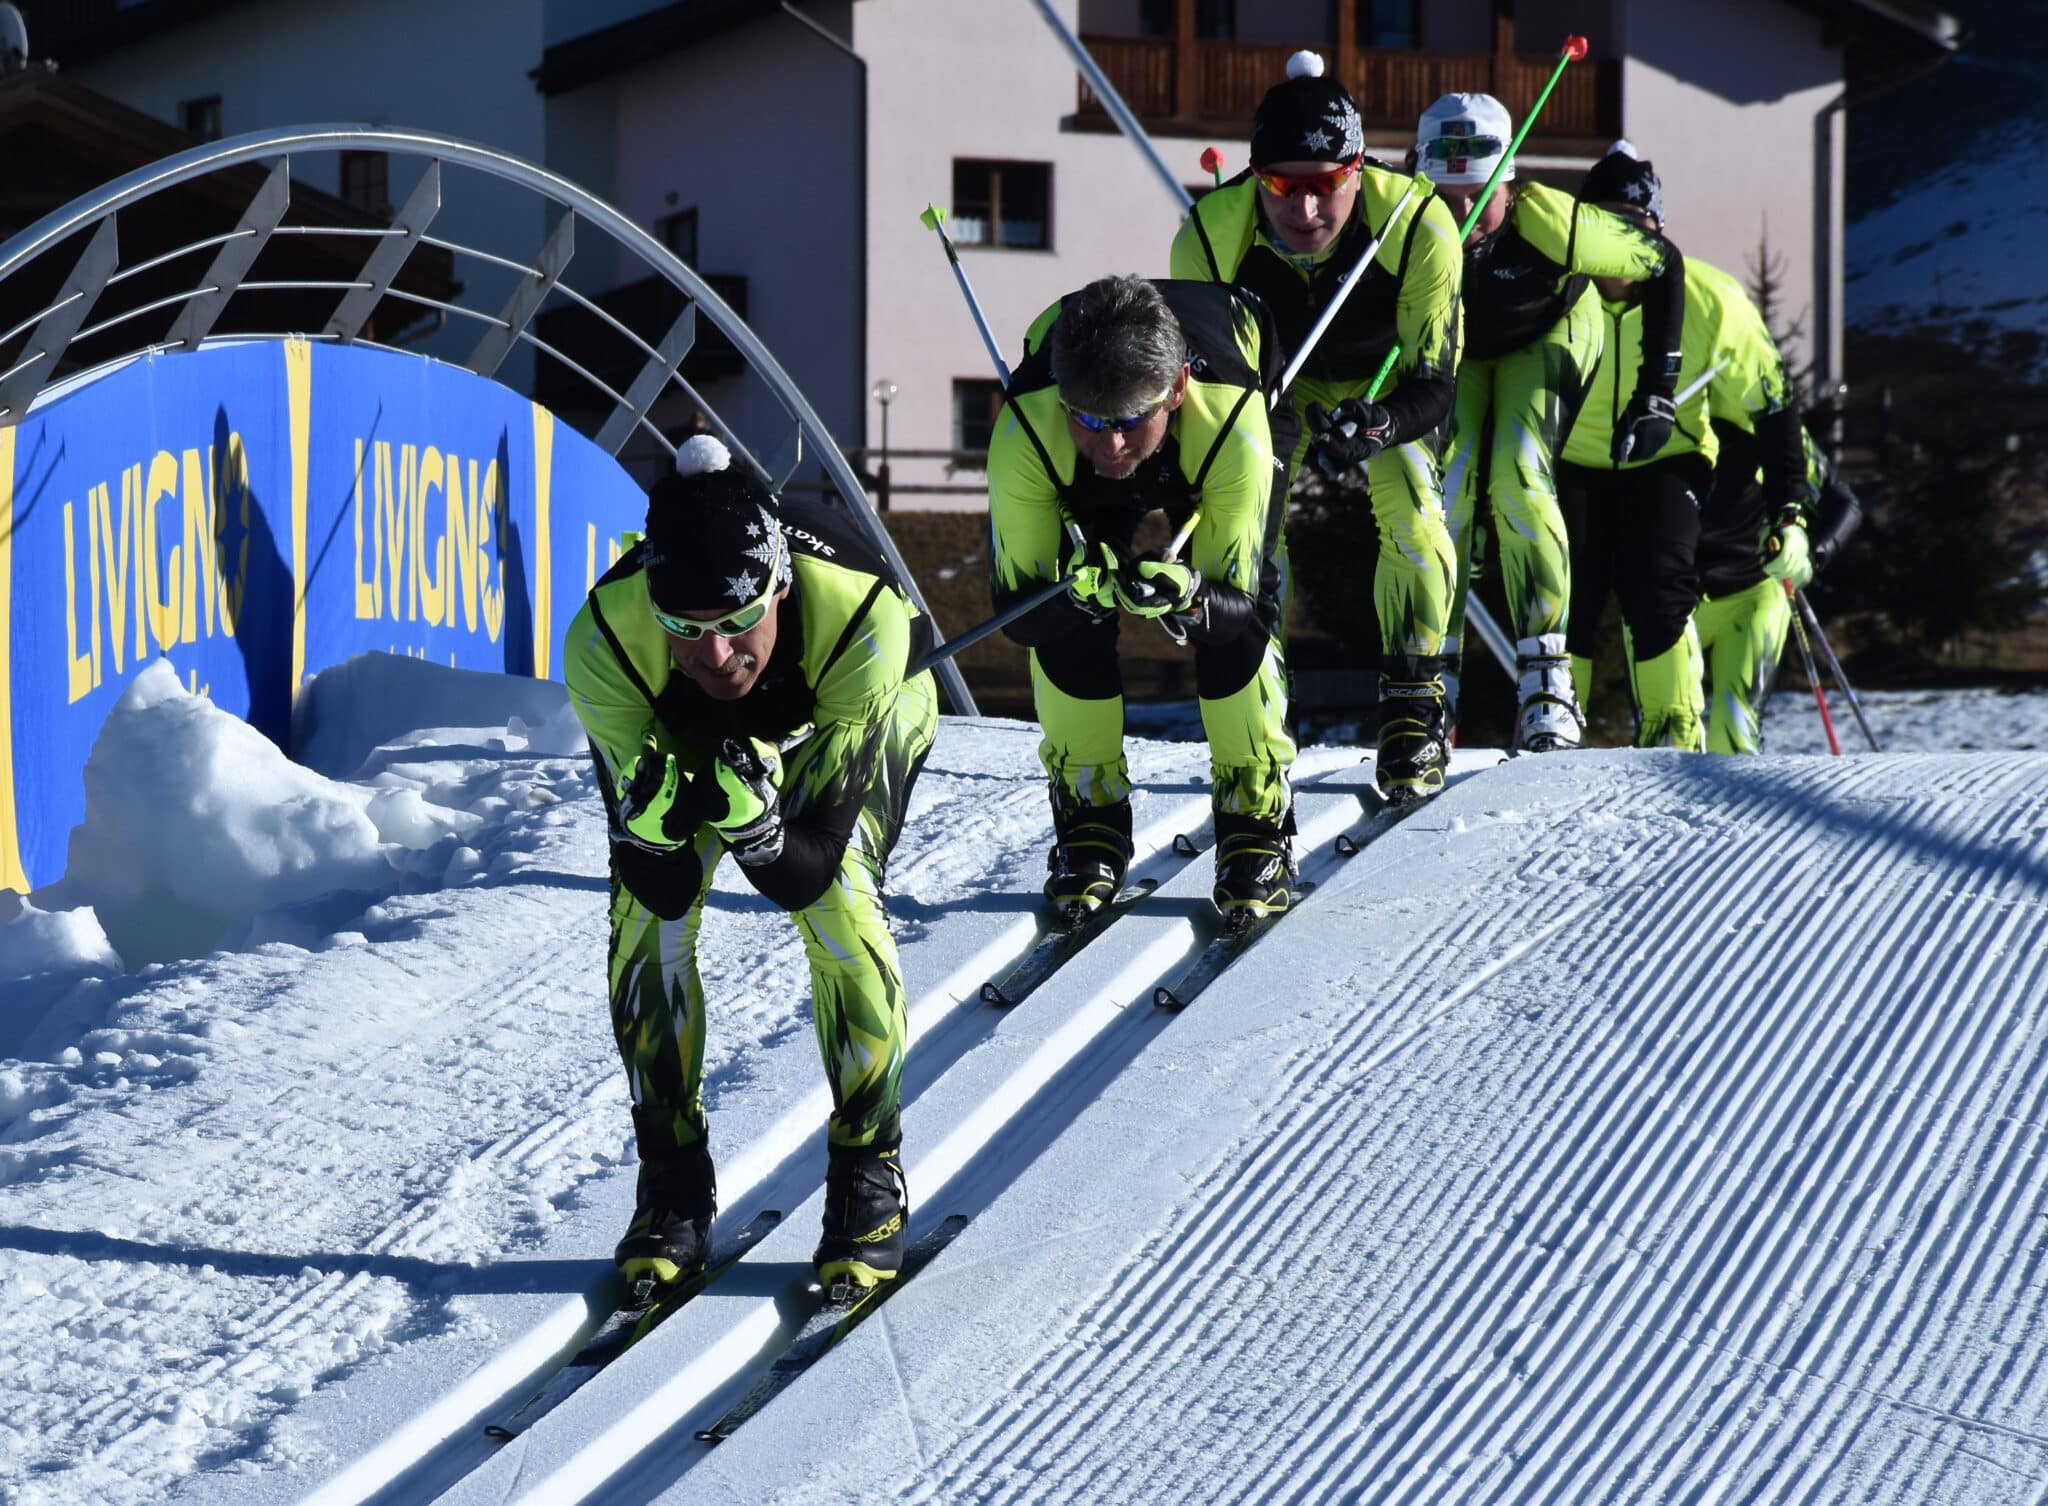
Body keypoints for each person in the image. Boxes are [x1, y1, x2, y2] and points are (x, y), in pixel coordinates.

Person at [563, 435, 939, 1298]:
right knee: (642, 920)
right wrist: (654, 836)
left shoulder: (863, 615)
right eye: (685, 630)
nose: (716, 656)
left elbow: (806, 872)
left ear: (780, 587)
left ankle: (868, 1169)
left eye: (738, 623)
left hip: (850, 703)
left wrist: (762, 827)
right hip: (680, 733)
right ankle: (671, 1179)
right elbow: (659, 886)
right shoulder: (605, 640)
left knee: (842, 904)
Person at [1171, 51, 1464, 804]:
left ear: (1358, 170)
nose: (1304, 211)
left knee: (1413, 507)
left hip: (1386, 381)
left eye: (1326, 184)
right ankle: (1258, 708)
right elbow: (1204, 396)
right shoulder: (1209, 235)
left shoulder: (1418, 222)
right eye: (1280, 186)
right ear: (1254, 178)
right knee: (1243, 529)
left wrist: (1381, 423)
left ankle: (1415, 704)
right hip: (1272, 384)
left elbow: (1436, 384)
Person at [987, 274, 1298, 919]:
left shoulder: (1231, 418)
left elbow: (1244, 607)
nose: (1111, 444)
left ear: (1176, 388)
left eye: (1130, 420)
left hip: (1223, 424)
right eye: (1089, 420)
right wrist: (1076, 598)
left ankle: (1255, 820)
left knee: (1233, 628)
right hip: (1082, 477)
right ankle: (1089, 819)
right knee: (1067, 616)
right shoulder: (1027, 429)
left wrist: (1192, 597)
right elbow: (1017, 614)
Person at [1414, 95, 1687, 753]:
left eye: (1479, 194)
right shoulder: (1405, 217)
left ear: (1508, 181)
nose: (1463, 213)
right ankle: (1428, 685)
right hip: (1460, 350)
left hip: (1550, 331)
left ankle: (1547, 680)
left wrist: (1657, 391)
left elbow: (1663, 261)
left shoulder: (1552, 222)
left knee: (1519, 471)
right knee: (1442, 492)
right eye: (1446, 194)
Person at [1557, 142, 1804, 752]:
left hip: (1668, 458)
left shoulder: (1711, 299)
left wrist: (1790, 513)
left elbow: (1774, 406)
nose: (1620, 242)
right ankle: (1555, 735)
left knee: (1658, 581)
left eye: (1634, 224)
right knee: (1563, 597)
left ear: (1657, 230)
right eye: (1604, 223)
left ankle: (1672, 733)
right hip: (1572, 461)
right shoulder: (1555, 290)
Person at [1694, 425, 1865, 752]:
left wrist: (1811, 557)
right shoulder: (1672, 408)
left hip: (1755, 590)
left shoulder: (1775, 424)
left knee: (1735, 731)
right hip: (1673, 594)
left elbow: (1844, 504)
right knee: (1668, 731)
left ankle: (1736, 786)